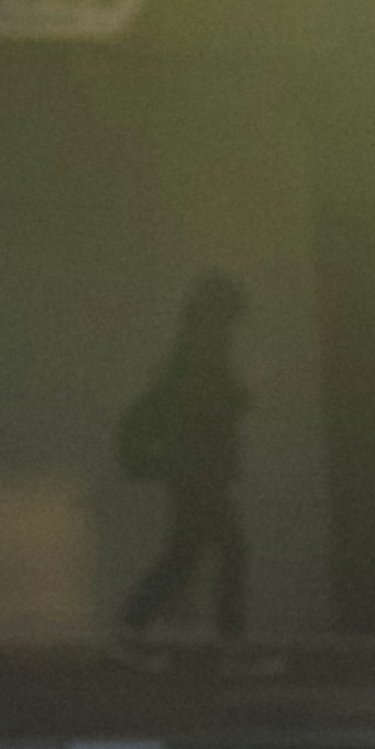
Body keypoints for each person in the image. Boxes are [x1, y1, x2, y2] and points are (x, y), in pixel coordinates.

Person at [115, 273, 250, 651]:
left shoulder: (198, 348)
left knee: (184, 559)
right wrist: (234, 399)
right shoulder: (203, 350)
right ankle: (232, 645)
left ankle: (130, 630)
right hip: (199, 473)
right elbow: (199, 407)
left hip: (193, 472)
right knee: (229, 552)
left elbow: (187, 403)